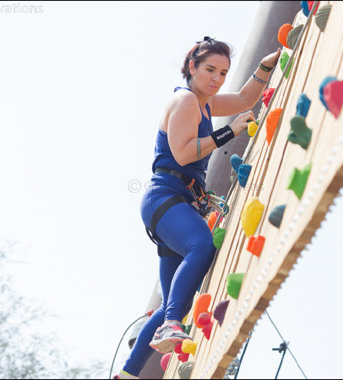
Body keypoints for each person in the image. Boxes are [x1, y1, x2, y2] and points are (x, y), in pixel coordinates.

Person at [114, 37, 280, 379]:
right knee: (200, 246)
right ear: (192, 66)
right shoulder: (186, 99)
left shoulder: (205, 103)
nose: (217, 78)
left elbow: (247, 98)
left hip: (180, 201)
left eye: (223, 72)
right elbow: (184, 155)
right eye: (210, 70)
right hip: (166, 197)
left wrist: (265, 66)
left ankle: (128, 374)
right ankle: (170, 325)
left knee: (173, 302)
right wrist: (227, 133)